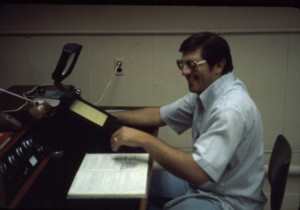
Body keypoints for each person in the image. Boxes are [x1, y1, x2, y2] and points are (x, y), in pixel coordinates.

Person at [110, 32, 267, 210]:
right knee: (137, 186)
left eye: (192, 65)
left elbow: (198, 172)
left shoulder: (229, 110)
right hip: (210, 186)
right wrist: (109, 115)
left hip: (229, 200)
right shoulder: (207, 91)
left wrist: (143, 139)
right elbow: (159, 115)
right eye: (182, 64)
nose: (184, 72)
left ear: (219, 66)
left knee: (140, 198)